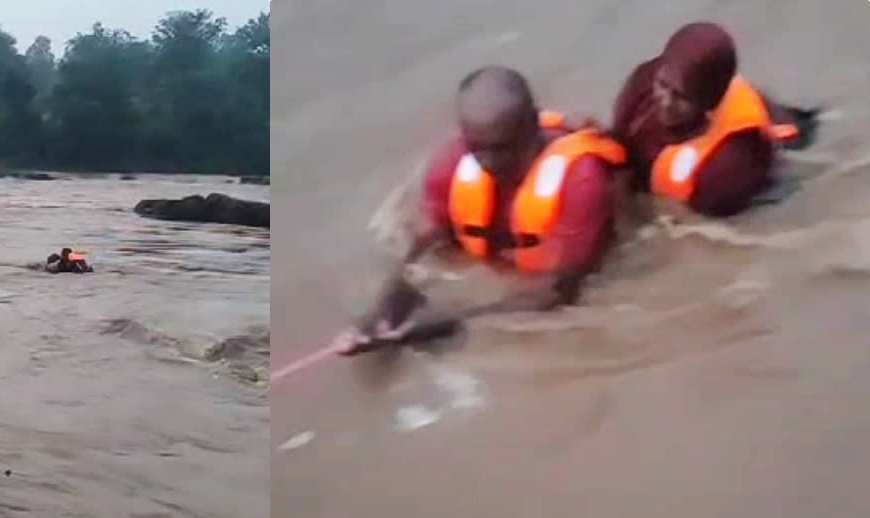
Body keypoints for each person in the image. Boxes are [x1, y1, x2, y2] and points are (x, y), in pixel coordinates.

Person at [333, 66, 628, 355]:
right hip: (511, 263)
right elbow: (420, 243)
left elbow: (560, 289)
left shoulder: (581, 181)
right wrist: (387, 303)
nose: (488, 162)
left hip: (566, 276)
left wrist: (458, 317)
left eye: (502, 148)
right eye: (477, 148)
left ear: (532, 126)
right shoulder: (452, 165)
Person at [610, 21, 815, 217]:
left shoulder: (732, 160)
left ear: (708, 103)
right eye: (663, 85)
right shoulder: (643, 84)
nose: (666, 102)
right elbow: (618, 148)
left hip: (782, 145)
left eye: (681, 97)